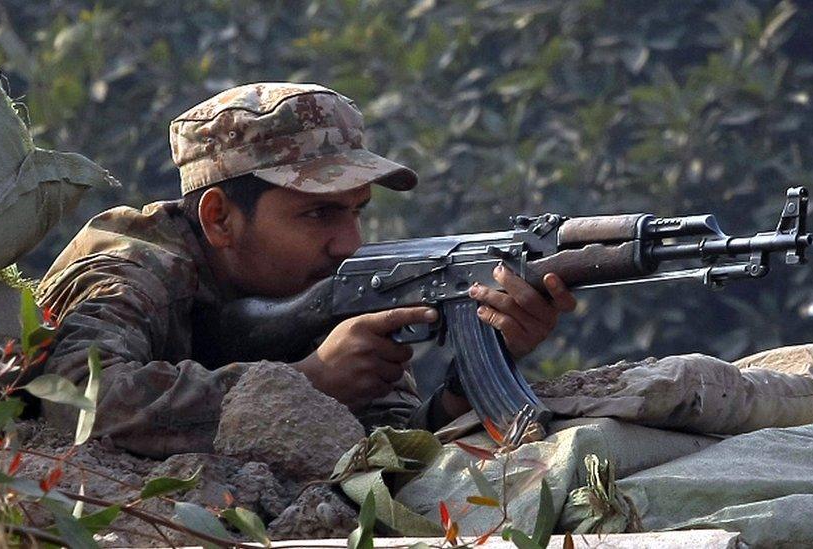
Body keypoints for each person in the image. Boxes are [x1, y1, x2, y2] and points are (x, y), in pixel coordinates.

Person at [36, 82, 576, 458]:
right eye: (319, 213)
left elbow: (390, 441)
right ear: (219, 218)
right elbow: (75, 398)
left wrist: (472, 378)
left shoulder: (313, 286)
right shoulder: (133, 270)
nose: (349, 243)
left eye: (356, 210)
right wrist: (304, 382)